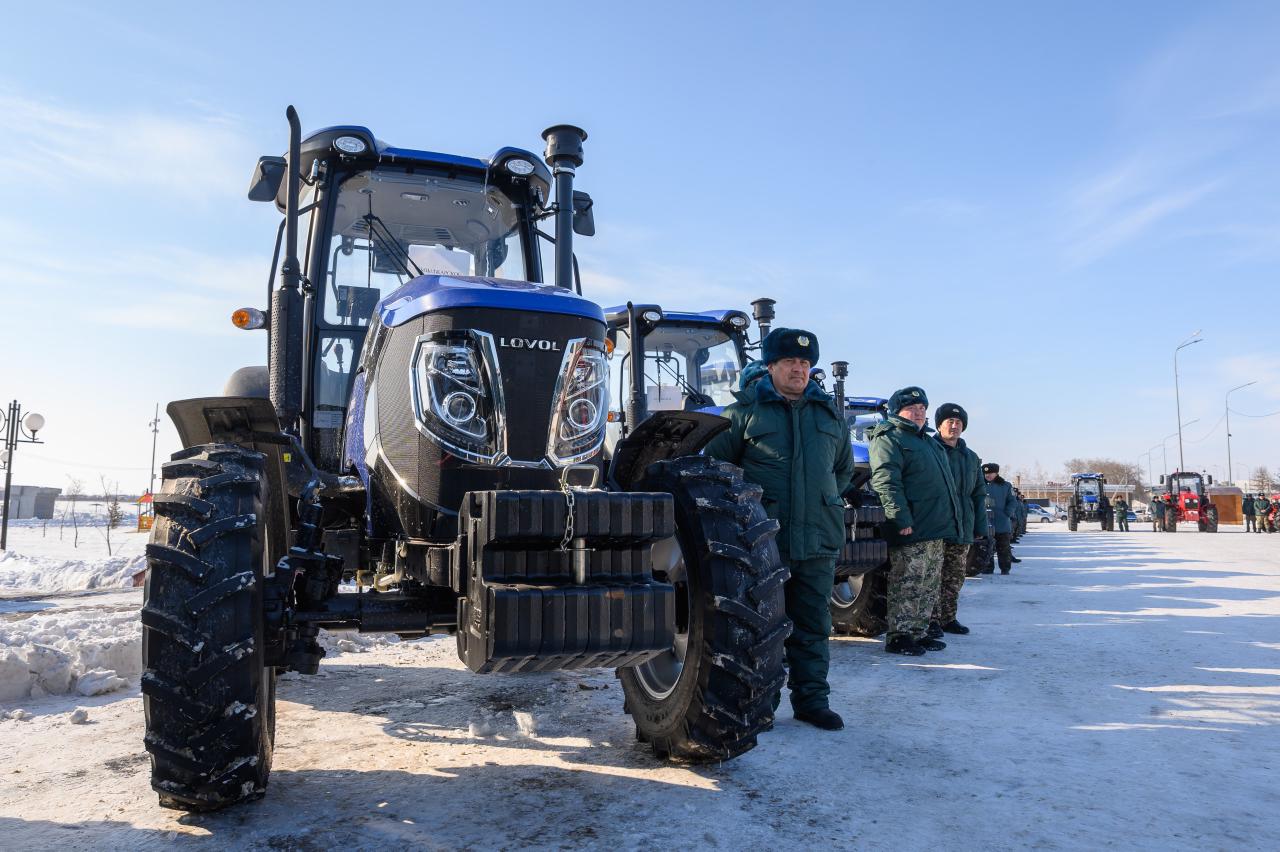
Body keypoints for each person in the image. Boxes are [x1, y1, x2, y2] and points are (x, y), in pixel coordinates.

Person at [705, 328, 853, 732]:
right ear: (771, 366)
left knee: (814, 625)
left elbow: (840, 471)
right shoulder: (743, 414)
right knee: (762, 627)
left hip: (818, 538)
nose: (798, 369)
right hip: (761, 540)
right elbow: (716, 470)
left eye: (805, 363)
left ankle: (812, 701)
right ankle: (760, 703)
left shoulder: (828, 415)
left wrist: (822, 501)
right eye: (790, 362)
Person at [868, 386, 962, 656]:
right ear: (897, 411)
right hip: (912, 525)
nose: (919, 413)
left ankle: (918, 632)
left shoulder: (928, 442)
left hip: (934, 525)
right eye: (912, 408)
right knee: (908, 582)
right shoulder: (890, 438)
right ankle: (899, 636)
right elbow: (887, 481)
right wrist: (899, 517)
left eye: (922, 408)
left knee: (928, 583)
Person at [927, 403, 986, 638]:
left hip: (962, 527)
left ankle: (948, 618)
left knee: (955, 576)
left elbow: (978, 494)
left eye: (959, 422)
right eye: (949, 421)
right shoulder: (930, 450)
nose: (954, 426)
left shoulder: (971, 458)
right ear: (939, 425)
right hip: (936, 525)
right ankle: (930, 620)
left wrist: (980, 526)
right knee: (932, 575)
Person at [983, 464, 1019, 573]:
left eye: (990, 473)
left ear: (996, 473)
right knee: (986, 546)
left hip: (1001, 521)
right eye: (985, 473)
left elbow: (1012, 501)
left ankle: (1005, 568)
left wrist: (1007, 513)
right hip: (984, 521)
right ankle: (987, 568)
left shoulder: (1006, 485)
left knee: (1003, 547)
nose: (988, 475)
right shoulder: (979, 485)